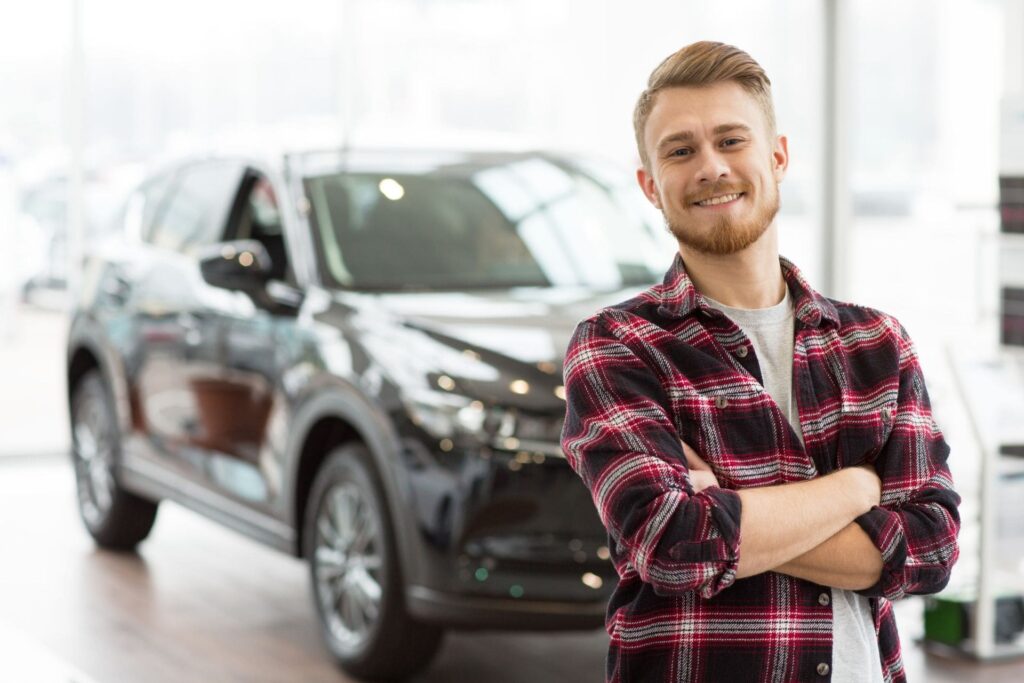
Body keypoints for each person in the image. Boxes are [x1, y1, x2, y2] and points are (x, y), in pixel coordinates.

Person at [560, 41, 960, 683]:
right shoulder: (618, 345)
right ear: (649, 185)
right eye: (681, 150)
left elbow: (931, 548)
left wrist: (730, 506)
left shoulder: (876, 343)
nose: (711, 167)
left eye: (731, 140)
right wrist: (856, 487)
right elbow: (673, 544)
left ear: (776, 155)